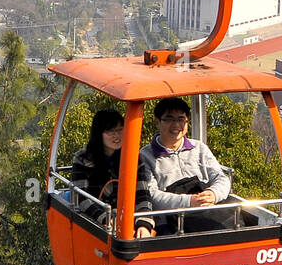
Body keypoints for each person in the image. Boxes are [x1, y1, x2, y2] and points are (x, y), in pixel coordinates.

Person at [139, 97, 232, 233]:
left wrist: (212, 194)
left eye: (181, 119)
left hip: (207, 210)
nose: (176, 125)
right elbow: (151, 195)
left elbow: (221, 177)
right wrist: (189, 202)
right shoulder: (145, 155)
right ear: (157, 122)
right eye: (169, 119)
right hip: (172, 217)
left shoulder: (199, 148)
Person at [70, 108, 156, 237]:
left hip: (126, 218)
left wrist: (144, 223)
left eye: (120, 130)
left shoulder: (133, 158)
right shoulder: (83, 159)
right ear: (99, 133)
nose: (116, 136)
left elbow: (142, 193)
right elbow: (81, 197)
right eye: (110, 131)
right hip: (97, 219)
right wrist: (106, 218)